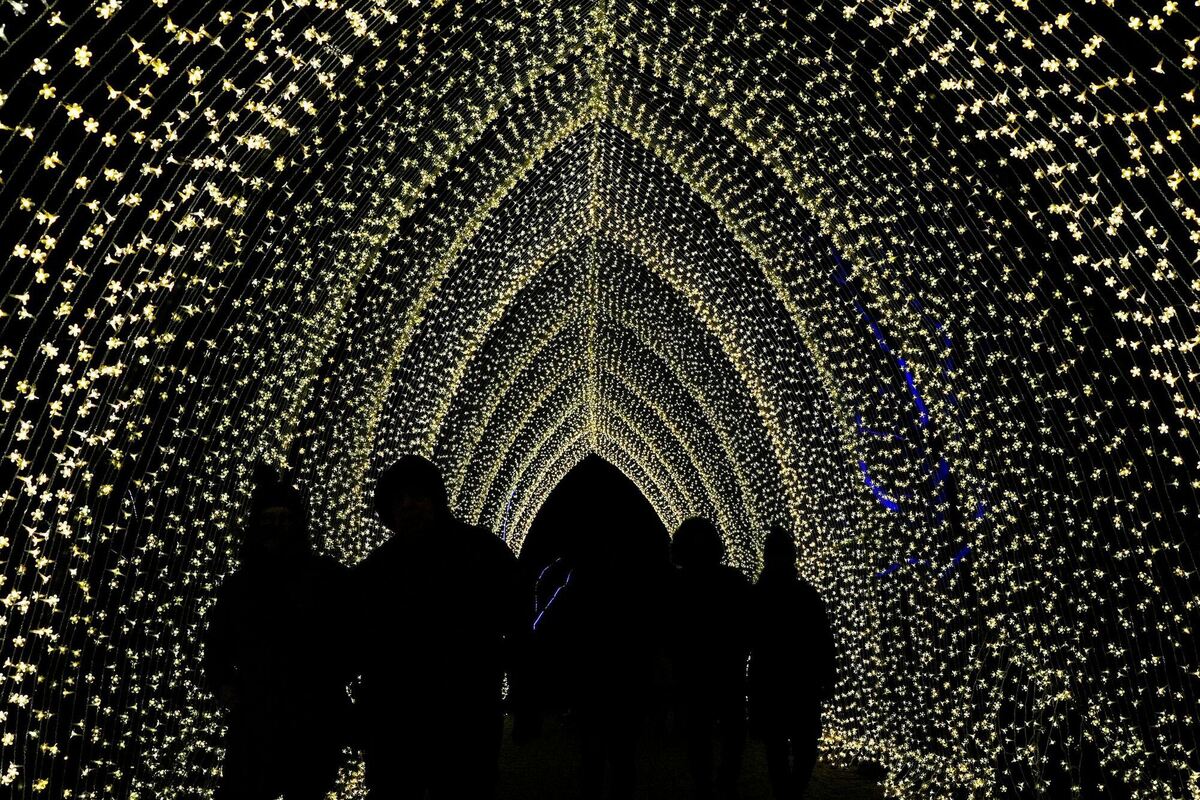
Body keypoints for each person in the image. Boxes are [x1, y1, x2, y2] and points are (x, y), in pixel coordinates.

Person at [352, 454, 524, 800]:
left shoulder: (479, 550)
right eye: (399, 500)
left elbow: (516, 616)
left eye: (417, 496)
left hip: (463, 710)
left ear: (436, 500)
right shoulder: (375, 569)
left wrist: (513, 676)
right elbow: (357, 640)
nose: (408, 506)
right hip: (397, 718)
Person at [203, 465, 351, 800]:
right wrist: (223, 682)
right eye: (268, 519)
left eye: (284, 518)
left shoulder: (327, 576)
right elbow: (218, 642)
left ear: (298, 525)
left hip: (313, 716)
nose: (276, 527)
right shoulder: (240, 584)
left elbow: (353, 634)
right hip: (256, 714)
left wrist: (330, 678)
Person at [748, 525, 836, 799]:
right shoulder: (758, 596)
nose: (779, 560)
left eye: (783, 554)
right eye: (775, 554)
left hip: (795, 680)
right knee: (781, 746)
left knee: (803, 746)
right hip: (778, 680)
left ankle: (790, 792)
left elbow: (822, 638)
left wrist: (827, 675)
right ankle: (788, 793)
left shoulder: (803, 595)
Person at [667, 517, 751, 800]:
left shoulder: (680, 586)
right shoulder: (732, 580)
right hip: (725, 667)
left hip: (700, 670)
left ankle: (708, 782)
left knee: (702, 731)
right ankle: (723, 780)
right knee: (727, 730)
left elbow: (670, 629)